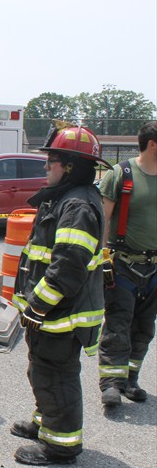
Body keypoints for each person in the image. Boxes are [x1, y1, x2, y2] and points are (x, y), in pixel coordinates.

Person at [9, 121, 109, 466]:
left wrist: (36, 306)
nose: (45, 165)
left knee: (56, 374)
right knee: (42, 370)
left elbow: (67, 268)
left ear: (68, 166)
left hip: (62, 315)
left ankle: (61, 445)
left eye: (51, 160)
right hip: (53, 314)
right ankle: (45, 423)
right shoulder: (66, 199)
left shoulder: (77, 206)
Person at [97, 121, 157, 408]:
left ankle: (130, 379)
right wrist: (100, 256)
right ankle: (111, 384)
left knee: (144, 327)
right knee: (118, 324)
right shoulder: (121, 174)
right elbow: (103, 219)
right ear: (152, 143)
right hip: (122, 265)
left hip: (154, 267)